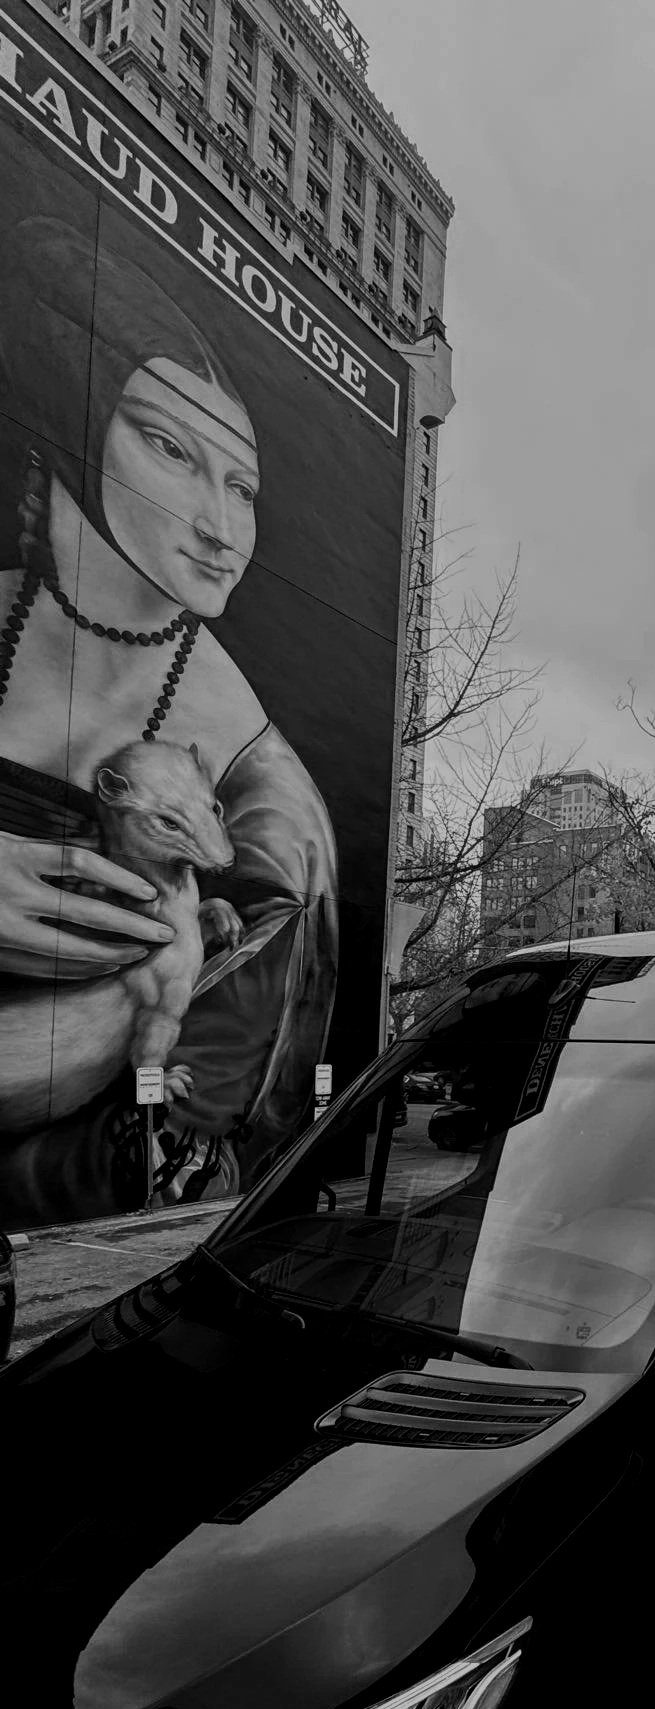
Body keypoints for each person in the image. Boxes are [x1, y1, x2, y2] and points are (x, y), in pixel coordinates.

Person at [0, 216, 338, 1224]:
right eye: (167, 447)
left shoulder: (260, 785)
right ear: (79, 417)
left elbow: (232, 1100)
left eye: (241, 486)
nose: (220, 529)